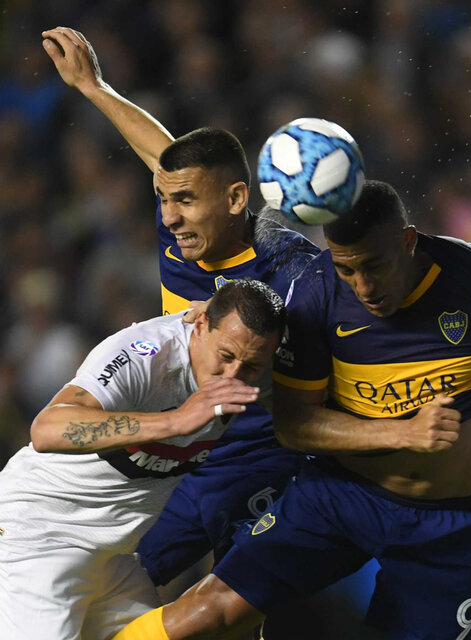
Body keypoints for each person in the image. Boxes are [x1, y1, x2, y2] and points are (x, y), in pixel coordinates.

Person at [113, 179, 471, 640]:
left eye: (374, 266)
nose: (363, 286)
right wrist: (401, 433)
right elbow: (295, 424)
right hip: (339, 497)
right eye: (347, 270)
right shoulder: (315, 294)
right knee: (212, 610)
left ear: (407, 241)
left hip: (451, 525)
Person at [42, 27, 320, 588]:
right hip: (174, 452)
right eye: (164, 199)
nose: (168, 217)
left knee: (230, 604)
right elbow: (163, 156)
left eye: (185, 201)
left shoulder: (292, 270)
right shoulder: (184, 220)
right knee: (113, 587)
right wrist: (93, 87)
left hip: (251, 457)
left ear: (236, 200)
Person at [0, 279, 286, 640]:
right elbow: (46, 429)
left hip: (113, 559)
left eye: (249, 366)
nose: (232, 376)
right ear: (200, 327)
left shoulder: (252, 366)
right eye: (225, 357)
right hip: (41, 537)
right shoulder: (144, 356)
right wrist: (175, 420)